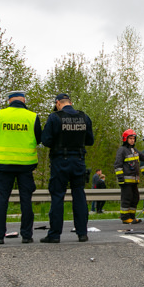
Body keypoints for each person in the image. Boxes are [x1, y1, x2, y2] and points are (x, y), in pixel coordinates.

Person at [0, 91, 42, 245]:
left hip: (4, 164)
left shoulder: (0, 115)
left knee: (2, 200)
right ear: (24, 100)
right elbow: (39, 138)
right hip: (26, 165)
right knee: (26, 200)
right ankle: (27, 236)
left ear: (9, 101)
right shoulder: (32, 116)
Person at [41, 93, 94, 243]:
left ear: (58, 103)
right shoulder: (84, 117)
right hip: (78, 161)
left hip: (60, 161)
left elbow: (46, 140)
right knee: (79, 197)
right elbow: (90, 141)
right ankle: (82, 233)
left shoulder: (54, 117)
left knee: (58, 197)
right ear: (70, 102)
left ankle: (55, 234)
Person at [113, 129, 144, 224]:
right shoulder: (122, 150)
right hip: (125, 181)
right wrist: (120, 178)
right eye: (130, 138)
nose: (132, 140)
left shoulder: (134, 150)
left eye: (133, 138)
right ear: (125, 139)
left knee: (135, 198)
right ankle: (125, 217)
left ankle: (132, 217)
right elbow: (117, 165)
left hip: (134, 181)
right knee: (126, 199)